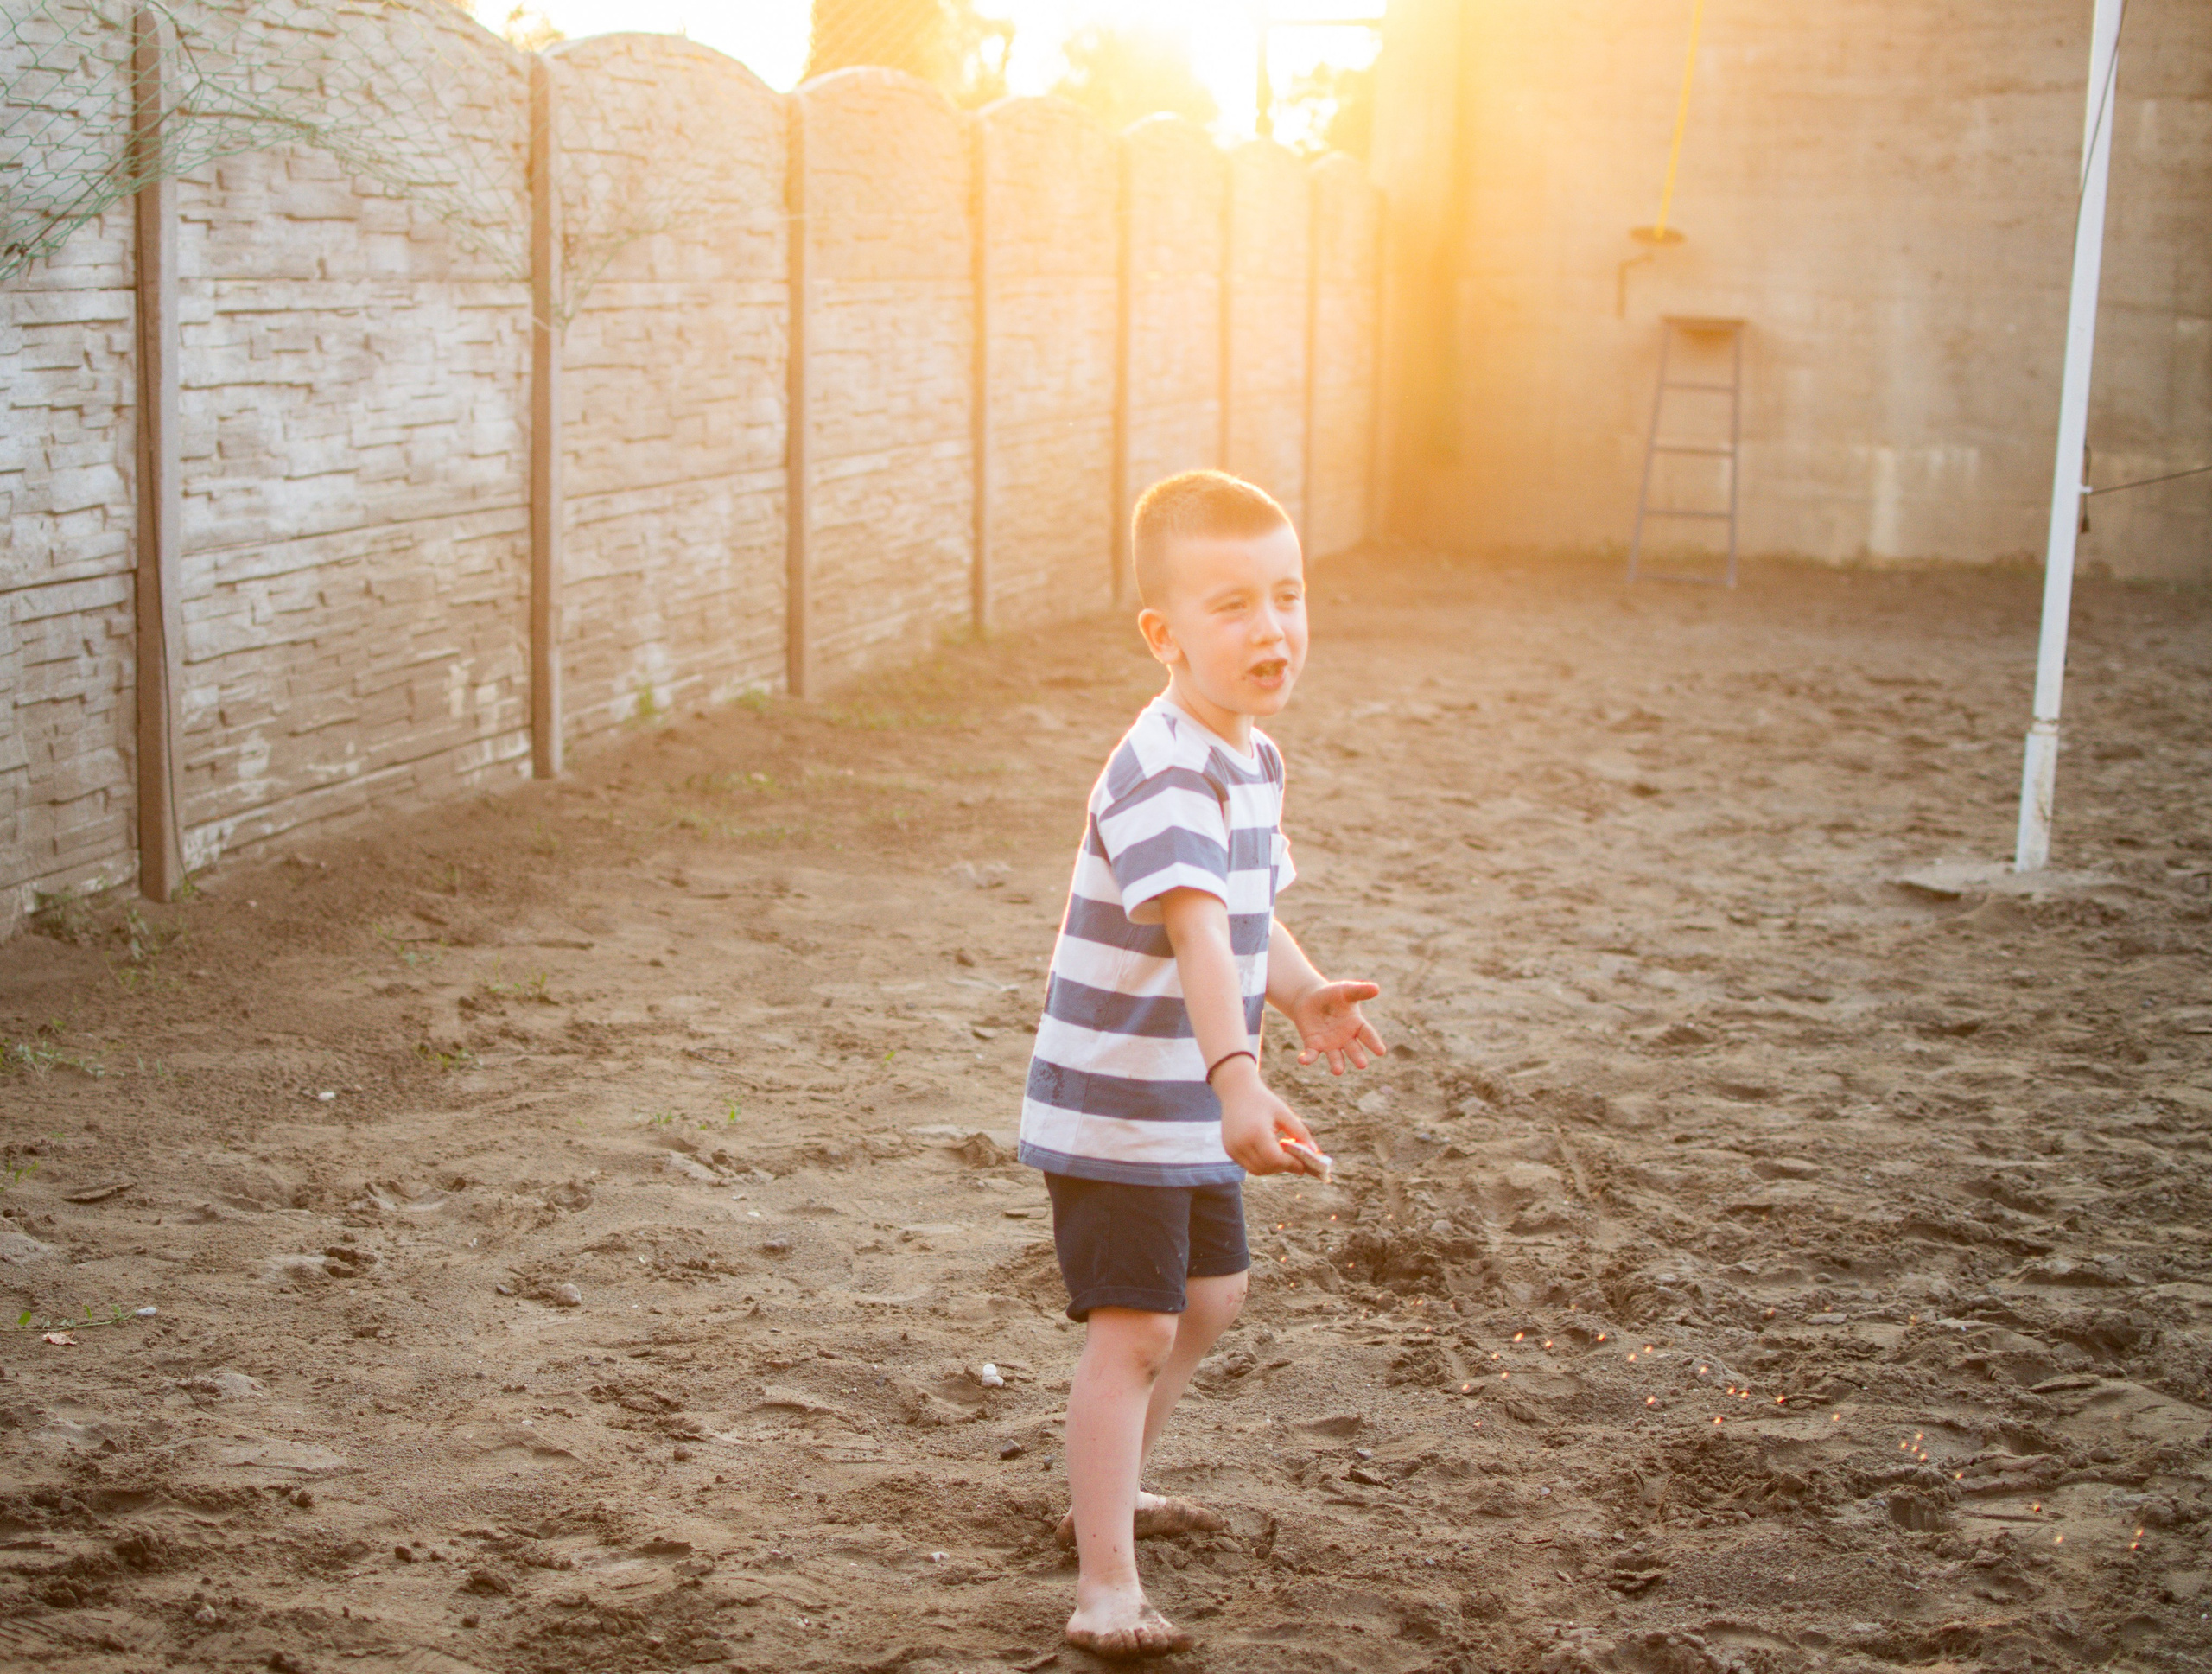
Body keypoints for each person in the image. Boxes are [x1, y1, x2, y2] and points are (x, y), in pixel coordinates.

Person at [1018, 469, 1386, 1658]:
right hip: (1128, 1104)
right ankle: (1103, 1582)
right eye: (1233, 606)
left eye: (1288, 595)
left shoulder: (1251, 756)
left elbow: (1242, 915)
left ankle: (1105, 1488)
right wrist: (1240, 1072)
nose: (1272, 627)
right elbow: (1186, 924)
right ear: (1164, 635)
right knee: (1131, 1329)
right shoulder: (1165, 763)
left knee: (1210, 1300)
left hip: (1192, 1098)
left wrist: (1307, 988)